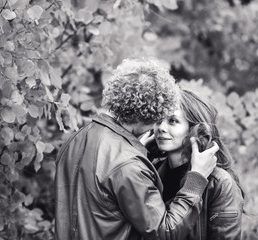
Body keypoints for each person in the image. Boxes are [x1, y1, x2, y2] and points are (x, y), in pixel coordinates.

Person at [54, 58, 219, 240]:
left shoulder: (74, 140)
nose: (160, 126)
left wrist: (138, 150)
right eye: (161, 117)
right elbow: (166, 232)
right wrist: (196, 180)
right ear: (155, 112)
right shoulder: (128, 165)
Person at [150, 89, 244, 239]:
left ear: (195, 129)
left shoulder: (220, 184)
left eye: (173, 121)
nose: (161, 127)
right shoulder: (150, 172)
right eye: (158, 120)